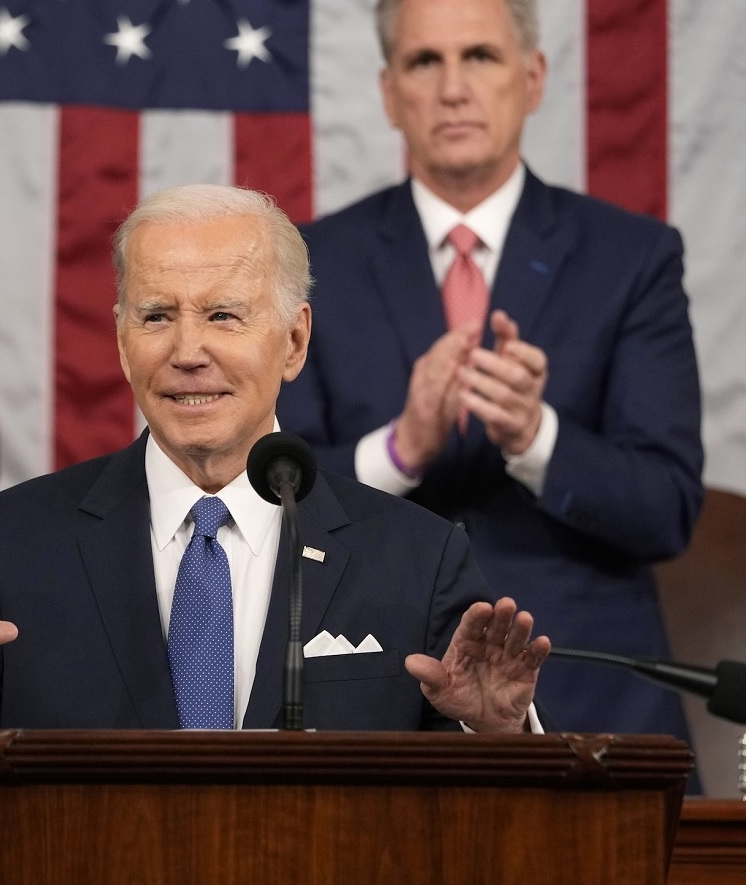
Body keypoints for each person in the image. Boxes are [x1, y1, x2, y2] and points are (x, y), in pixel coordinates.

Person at [0, 183, 550, 848]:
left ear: (293, 340)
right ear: (122, 343)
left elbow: (506, 841)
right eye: (156, 316)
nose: (188, 350)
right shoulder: (10, 547)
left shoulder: (416, 560)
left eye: (223, 314)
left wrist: (497, 736)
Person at [275, 0, 703, 753]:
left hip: (587, 704)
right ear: (388, 92)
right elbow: (266, 506)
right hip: (372, 694)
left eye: (480, 56)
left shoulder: (631, 258)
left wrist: (538, 437)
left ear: (532, 78)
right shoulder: (310, 265)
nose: (452, 88)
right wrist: (401, 450)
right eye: (423, 61)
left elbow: (666, 507)